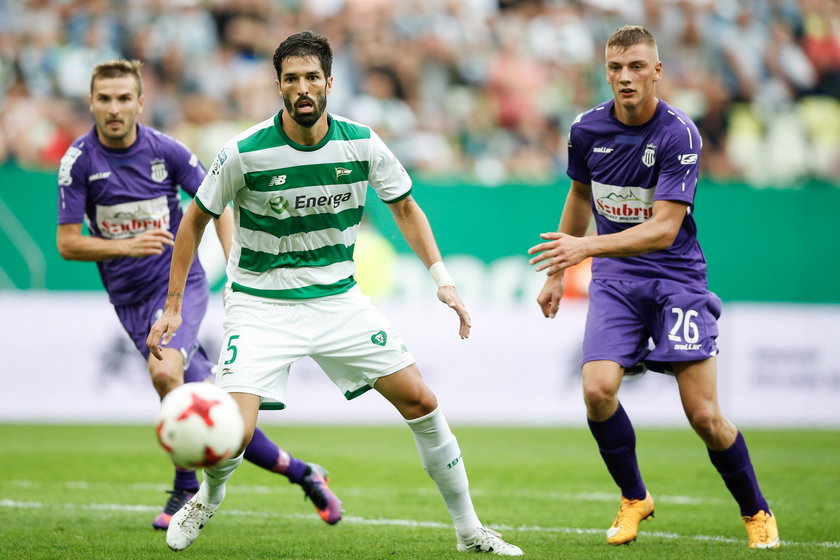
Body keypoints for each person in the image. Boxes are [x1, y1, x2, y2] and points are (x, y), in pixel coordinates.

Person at [146, 31, 523, 556]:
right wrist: (172, 306)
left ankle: (468, 530)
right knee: (229, 434)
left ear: (329, 82)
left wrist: (444, 281)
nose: (303, 88)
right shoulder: (243, 152)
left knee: (422, 401)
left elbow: (407, 209)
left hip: (338, 301)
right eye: (292, 78)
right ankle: (208, 497)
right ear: (278, 84)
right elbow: (194, 223)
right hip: (260, 304)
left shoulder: (363, 143)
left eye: (312, 78)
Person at [56, 59, 342, 531]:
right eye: (105, 98)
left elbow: (219, 203)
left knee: (166, 372)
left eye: (124, 98)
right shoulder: (79, 162)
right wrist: (126, 246)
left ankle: (185, 487)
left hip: (176, 287)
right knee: (218, 407)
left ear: (140, 103)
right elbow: (67, 243)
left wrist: (233, 270)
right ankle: (303, 472)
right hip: (129, 301)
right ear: (91, 102)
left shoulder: (167, 152)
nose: (114, 108)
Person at [528, 25, 780, 549]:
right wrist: (558, 270)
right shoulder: (586, 129)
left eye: (637, 66)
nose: (626, 77)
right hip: (618, 280)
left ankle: (756, 510)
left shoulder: (679, 134)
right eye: (616, 68)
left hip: (676, 279)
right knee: (597, 390)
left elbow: (665, 229)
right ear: (606, 71)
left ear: (657, 71)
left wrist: (585, 249)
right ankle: (634, 497)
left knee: (705, 417)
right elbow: (580, 194)